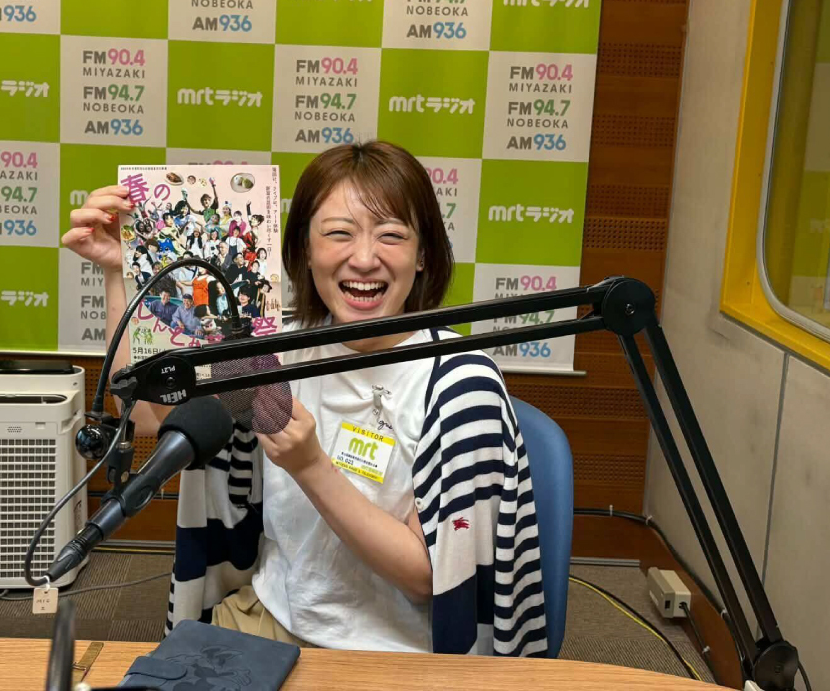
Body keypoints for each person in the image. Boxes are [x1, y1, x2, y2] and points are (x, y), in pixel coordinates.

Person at [60, 142, 546, 657]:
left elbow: (431, 578)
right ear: (305, 250)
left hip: (398, 651)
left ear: (423, 255)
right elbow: (142, 413)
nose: (364, 258)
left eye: (392, 235)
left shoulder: (461, 383)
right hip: (268, 622)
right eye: (338, 233)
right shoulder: (273, 352)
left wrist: (310, 466)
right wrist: (119, 272)